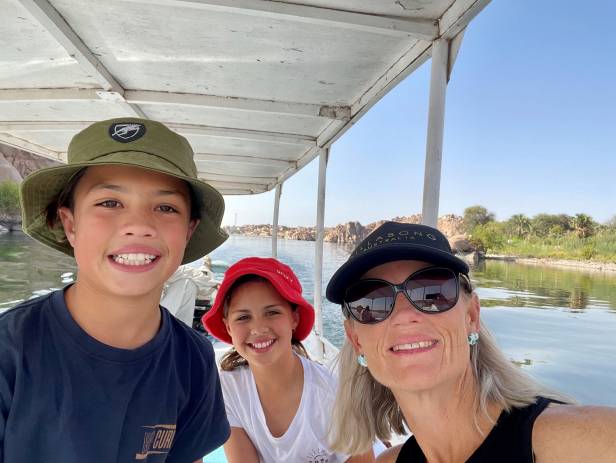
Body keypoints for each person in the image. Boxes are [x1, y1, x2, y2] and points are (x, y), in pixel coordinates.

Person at [0, 118, 230, 462]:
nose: (138, 225)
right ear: (70, 224)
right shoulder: (10, 350)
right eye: (109, 203)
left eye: (166, 207)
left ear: (188, 230)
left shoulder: (194, 359)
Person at [326, 221, 616, 462]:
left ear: (471, 317)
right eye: (372, 301)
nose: (404, 315)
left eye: (432, 292)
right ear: (357, 341)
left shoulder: (588, 443)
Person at [202, 257, 374, 463]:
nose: (258, 329)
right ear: (228, 327)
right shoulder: (227, 390)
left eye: (272, 312)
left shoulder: (335, 395)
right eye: (243, 317)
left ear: (294, 318)